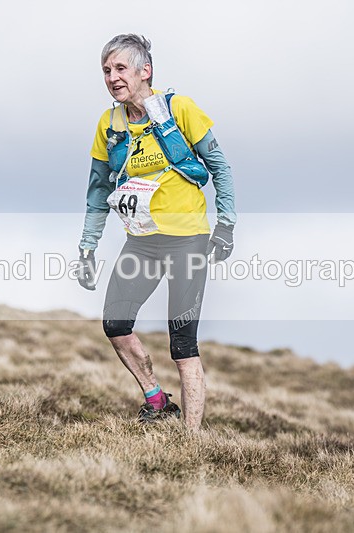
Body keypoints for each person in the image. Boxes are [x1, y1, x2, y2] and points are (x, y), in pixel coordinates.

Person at [77, 34, 236, 430]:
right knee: (115, 324)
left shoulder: (178, 108)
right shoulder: (109, 124)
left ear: (145, 71)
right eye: (106, 71)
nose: (112, 78)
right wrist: (87, 249)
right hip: (142, 242)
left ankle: (191, 442)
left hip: (188, 241)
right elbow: (98, 191)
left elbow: (220, 167)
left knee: (182, 344)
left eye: (120, 68)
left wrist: (226, 225)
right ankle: (157, 399)